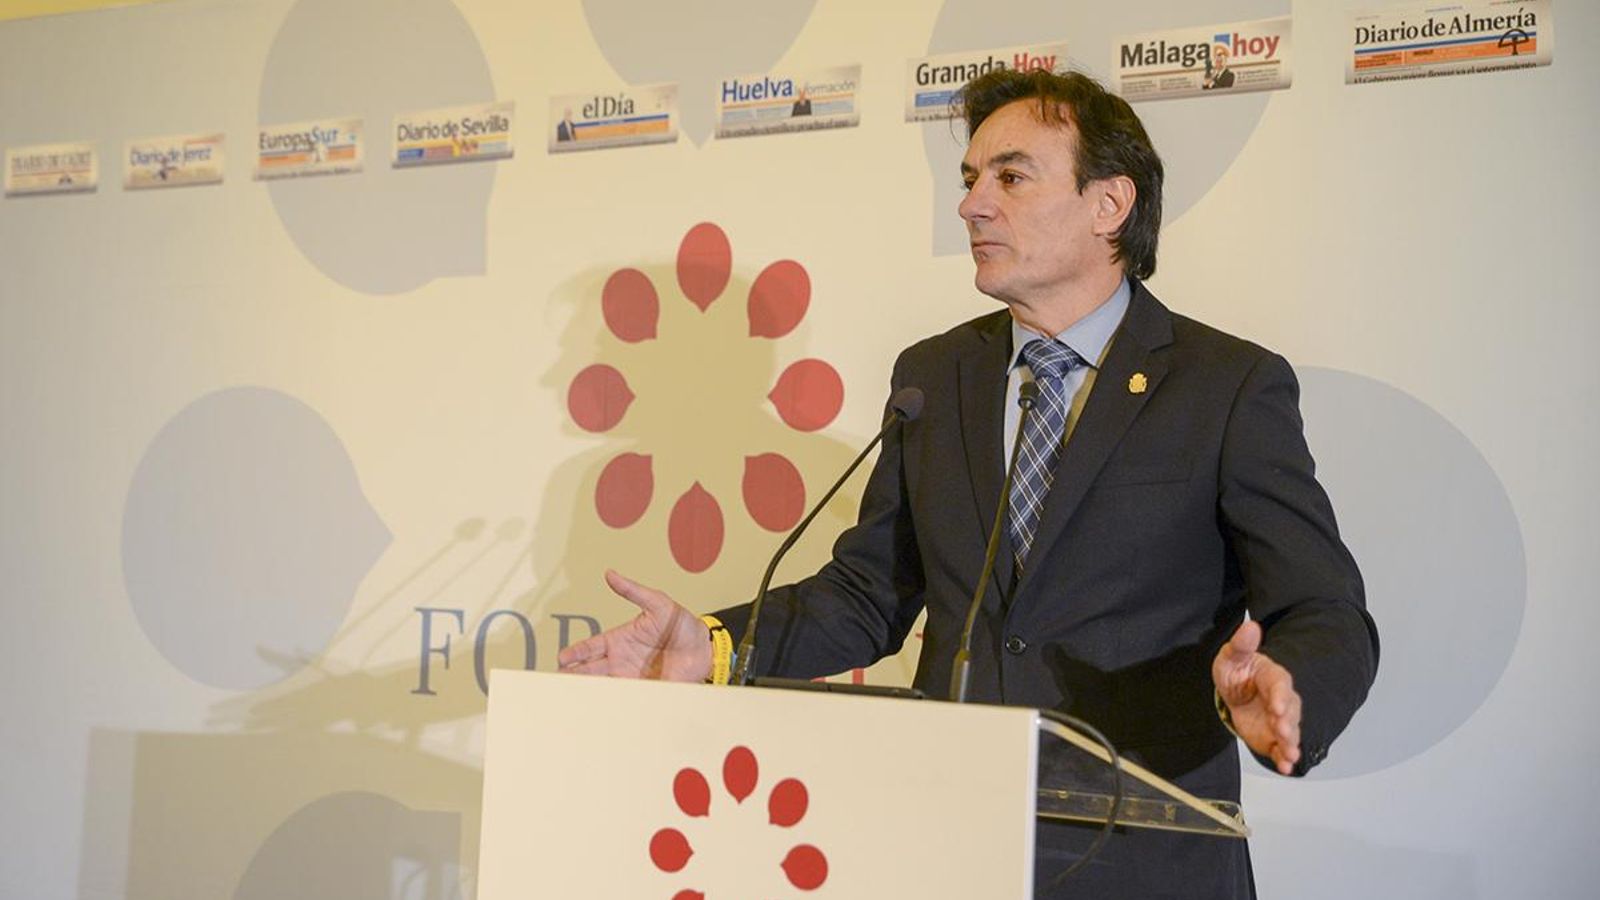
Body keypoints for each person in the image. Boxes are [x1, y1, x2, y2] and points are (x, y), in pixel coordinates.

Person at [559, 68, 1378, 899]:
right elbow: (869, 592)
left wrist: (1286, 686)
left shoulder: (1225, 386)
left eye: (1011, 178)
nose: (972, 204)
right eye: (971, 179)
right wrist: (715, 644)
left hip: (1141, 854)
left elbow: (1323, 605)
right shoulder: (938, 373)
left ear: (1109, 206)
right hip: (945, 842)